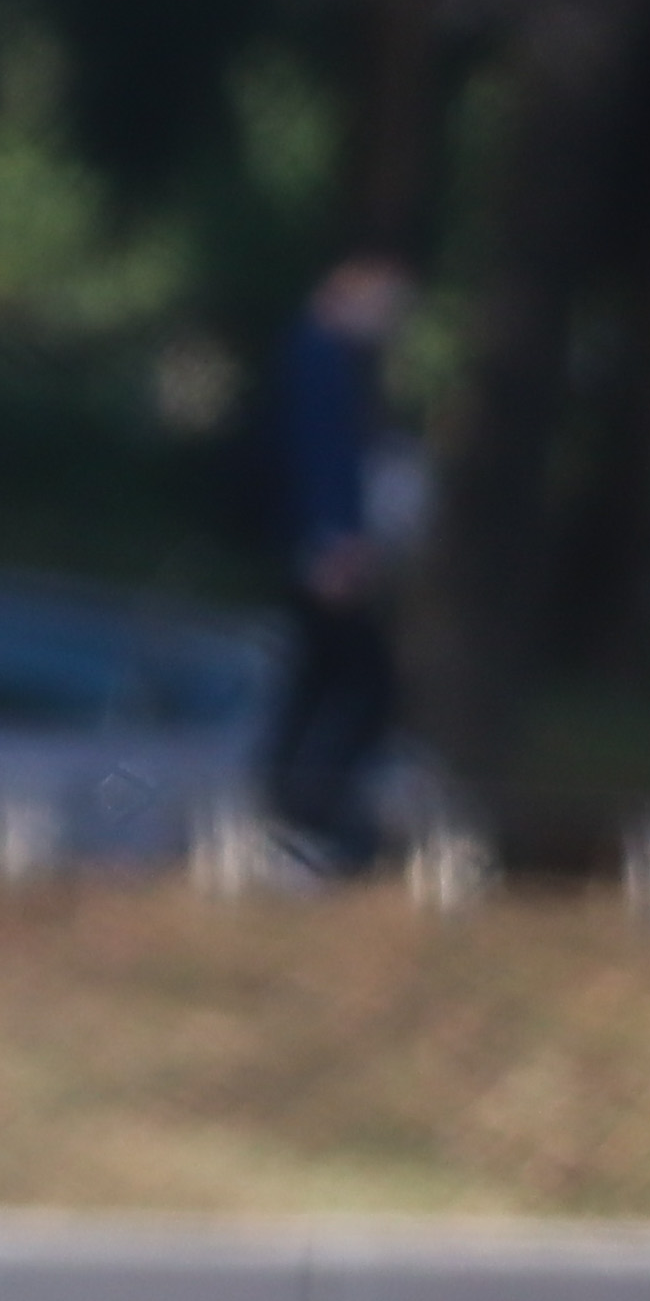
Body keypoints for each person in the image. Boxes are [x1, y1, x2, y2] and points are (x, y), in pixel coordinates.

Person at [259, 255, 418, 874]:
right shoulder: (321, 357)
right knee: (358, 682)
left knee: (321, 680)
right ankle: (305, 820)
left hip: (317, 547)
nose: (392, 325)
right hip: (323, 551)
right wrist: (334, 544)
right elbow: (319, 454)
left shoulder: (319, 355)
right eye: (389, 309)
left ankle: (295, 818)